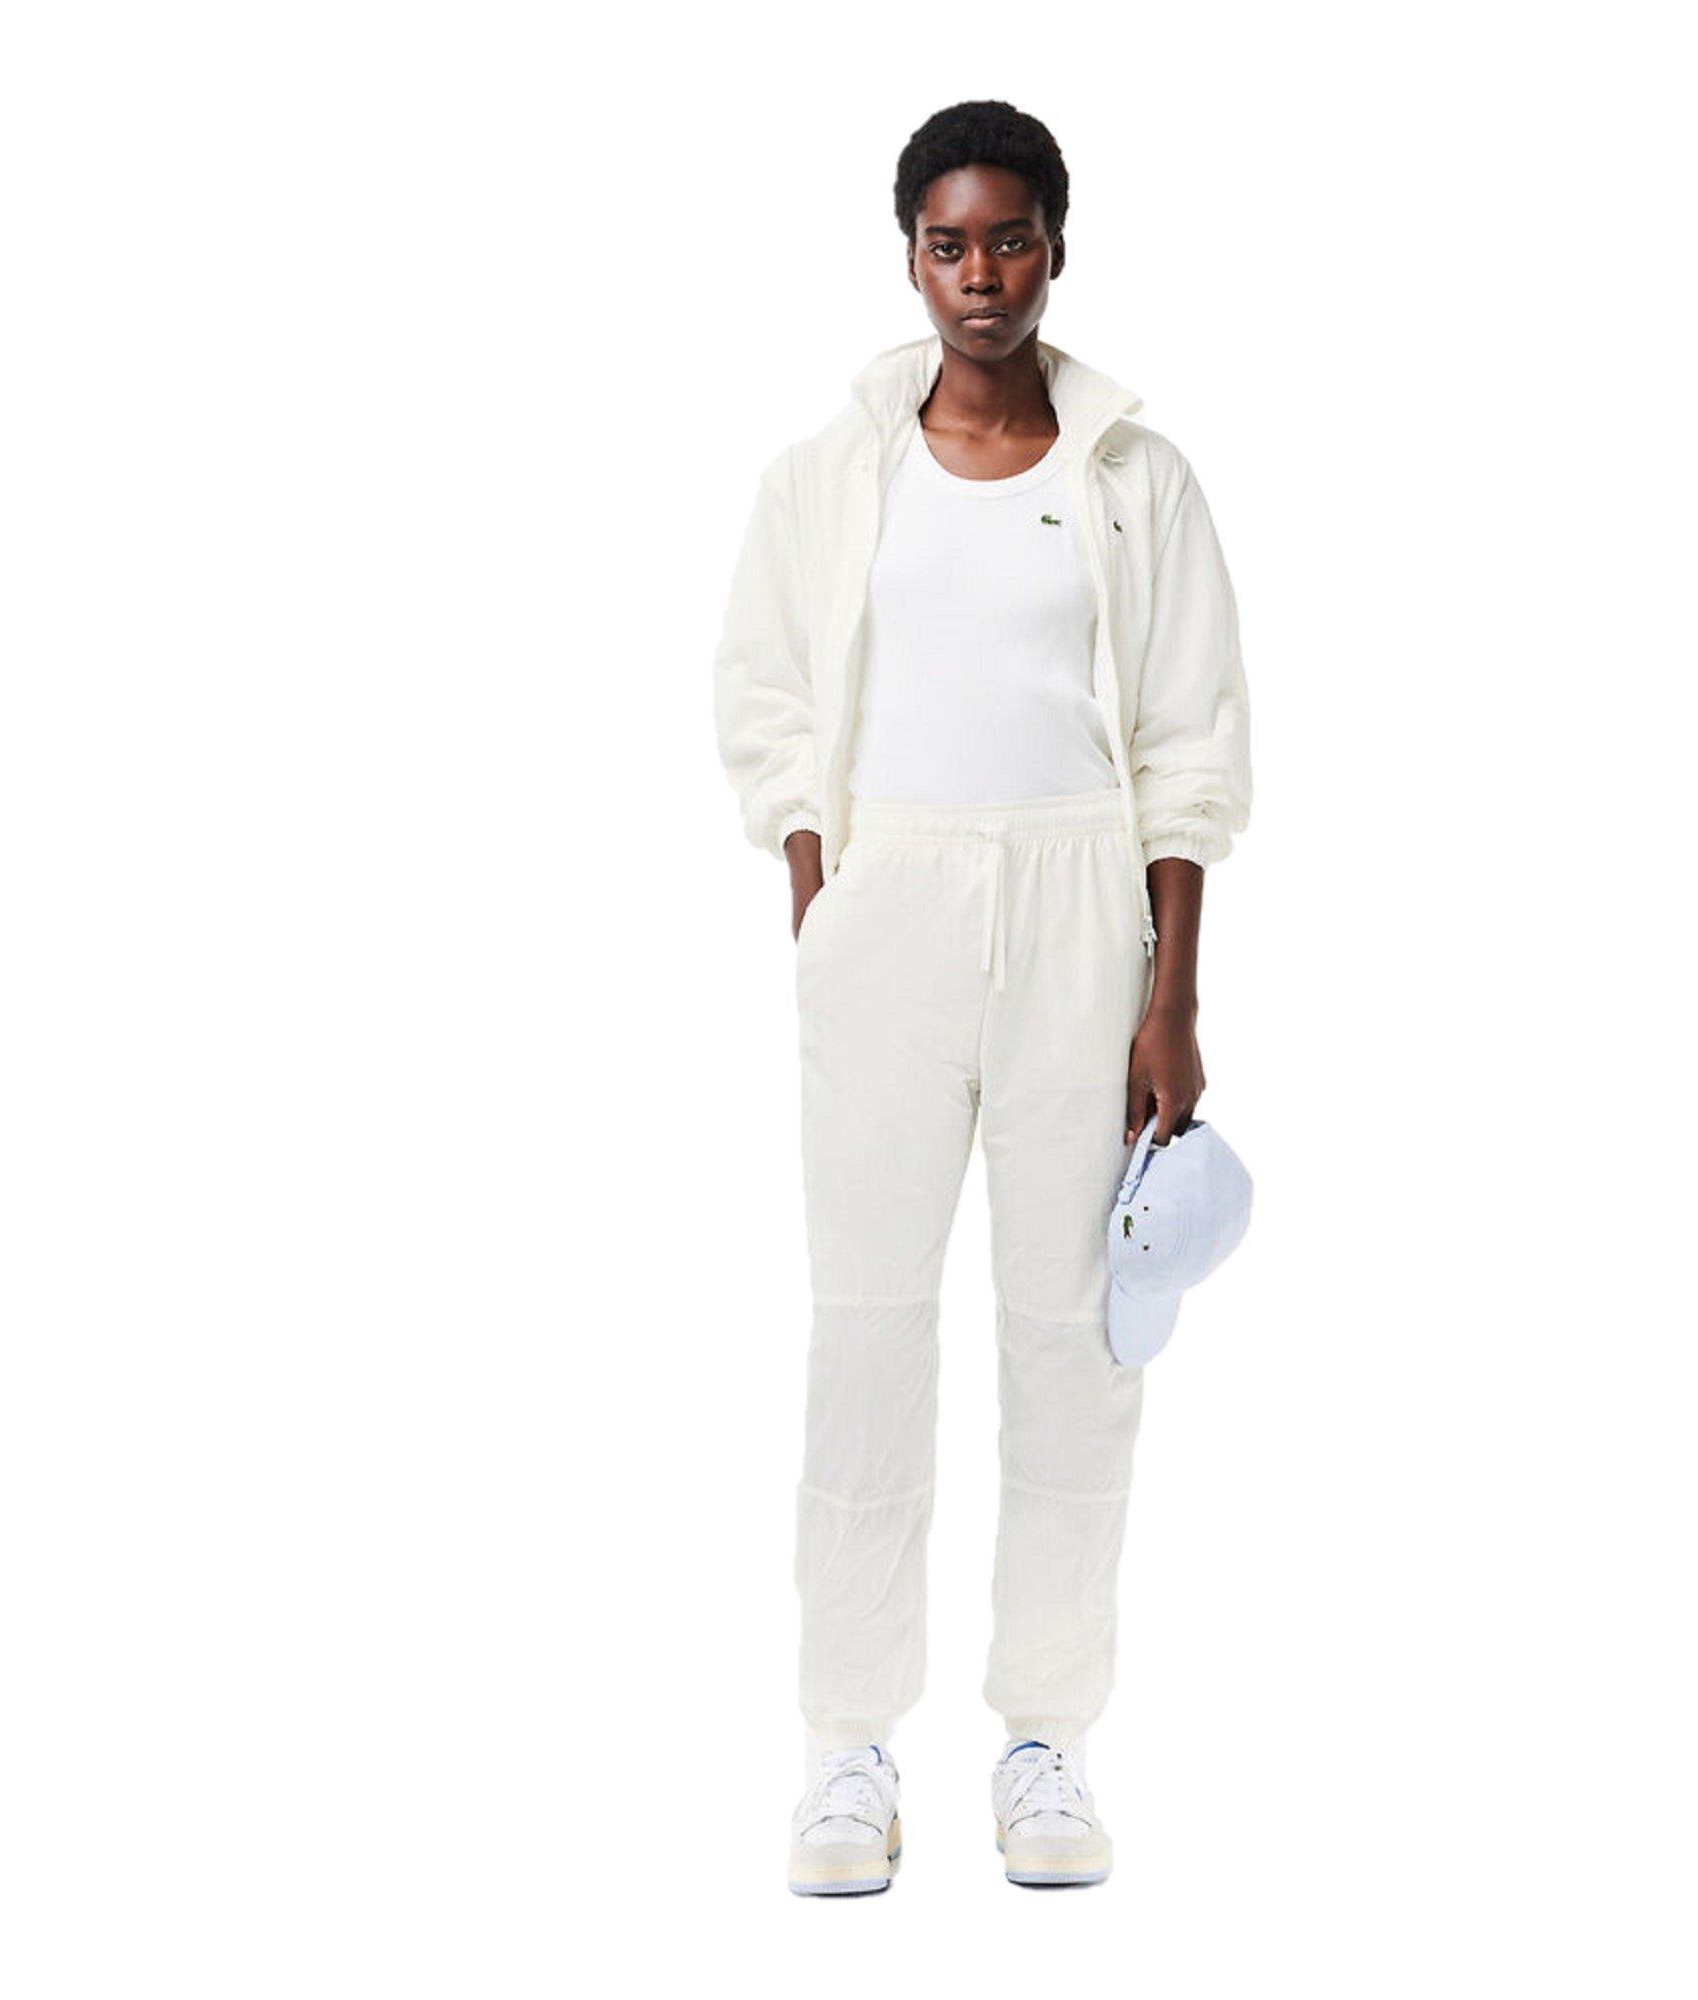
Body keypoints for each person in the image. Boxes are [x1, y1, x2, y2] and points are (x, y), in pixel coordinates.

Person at [711, 99, 1252, 1893]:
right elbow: (768, 700)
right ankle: (848, 1749)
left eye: (1010, 238)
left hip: (1083, 908)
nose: (981, 275)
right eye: (949, 244)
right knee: (867, 1326)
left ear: (1056, 248)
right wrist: (821, 895)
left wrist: (1170, 998)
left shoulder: (1134, 476)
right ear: (911, 259)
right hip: (892, 911)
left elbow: (1188, 746)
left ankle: (1045, 1744)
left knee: (1071, 1340)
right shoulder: (830, 475)